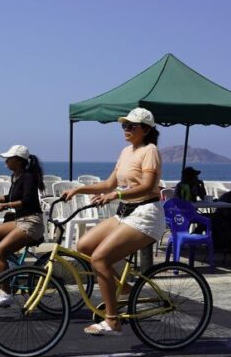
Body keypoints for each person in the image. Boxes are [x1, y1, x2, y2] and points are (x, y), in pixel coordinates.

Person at [63, 107, 164, 336]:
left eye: (131, 126)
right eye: (124, 125)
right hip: (126, 212)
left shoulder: (150, 151)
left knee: (99, 259)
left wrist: (117, 195)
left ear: (146, 130)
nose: (126, 129)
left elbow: (148, 186)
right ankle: (125, 288)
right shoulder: (126, 152)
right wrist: (79, 189)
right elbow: (109, 184)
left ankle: (112, 321)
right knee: (85, 246)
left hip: (146, 215)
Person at [0, 145, 46, 306]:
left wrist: (6, 206)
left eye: (8, 159)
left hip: (32, 222)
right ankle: (13, 266)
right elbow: (11, 196)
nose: (6, 162)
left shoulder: (28, 176)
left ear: (18, 160)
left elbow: (27, 200)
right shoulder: (16, 176)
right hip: (19, 221)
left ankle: (6, 293)